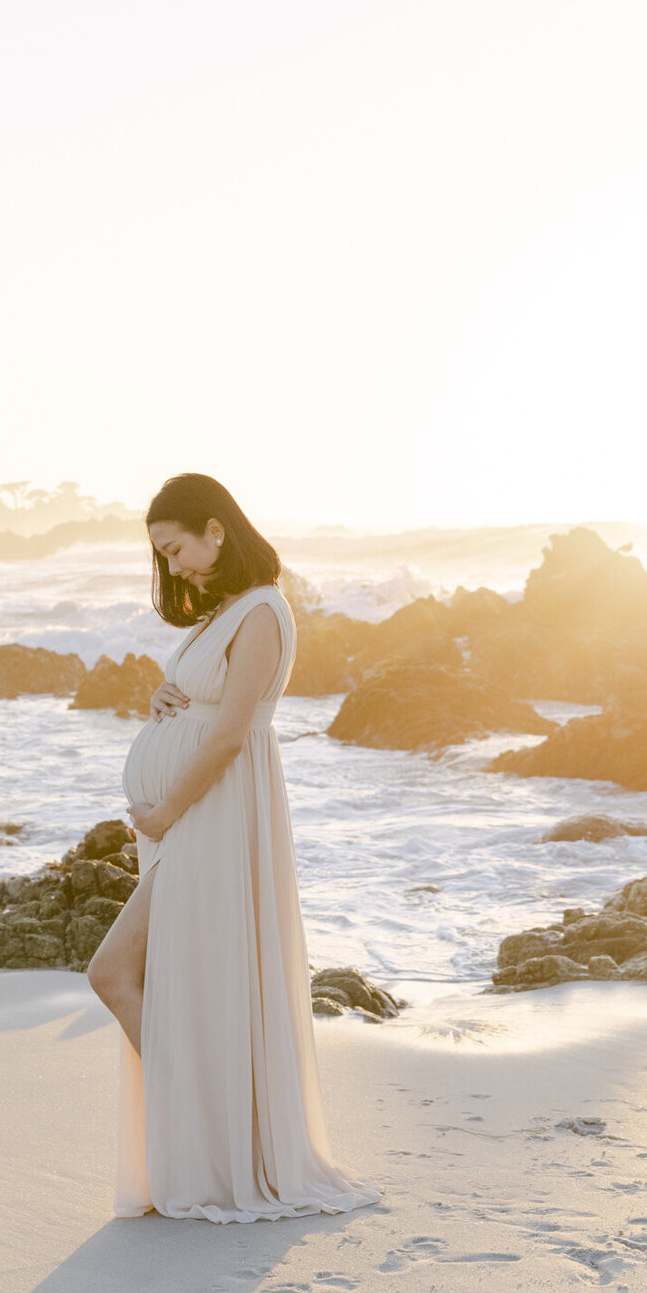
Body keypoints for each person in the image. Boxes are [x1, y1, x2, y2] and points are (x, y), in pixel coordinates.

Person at [88, 472, 384, 1223]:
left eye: (176, 547)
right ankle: (208, 1138)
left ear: (216, 529)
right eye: (162, 555)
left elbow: (228, 736)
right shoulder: (225, 611)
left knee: (113, 972)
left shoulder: (263, 610)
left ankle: (209, 1136)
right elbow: (204, 706)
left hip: (211, 819)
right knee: (184, 983)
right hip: (190, 821)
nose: (173, 566)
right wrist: (162, 700)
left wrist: (163, 816)